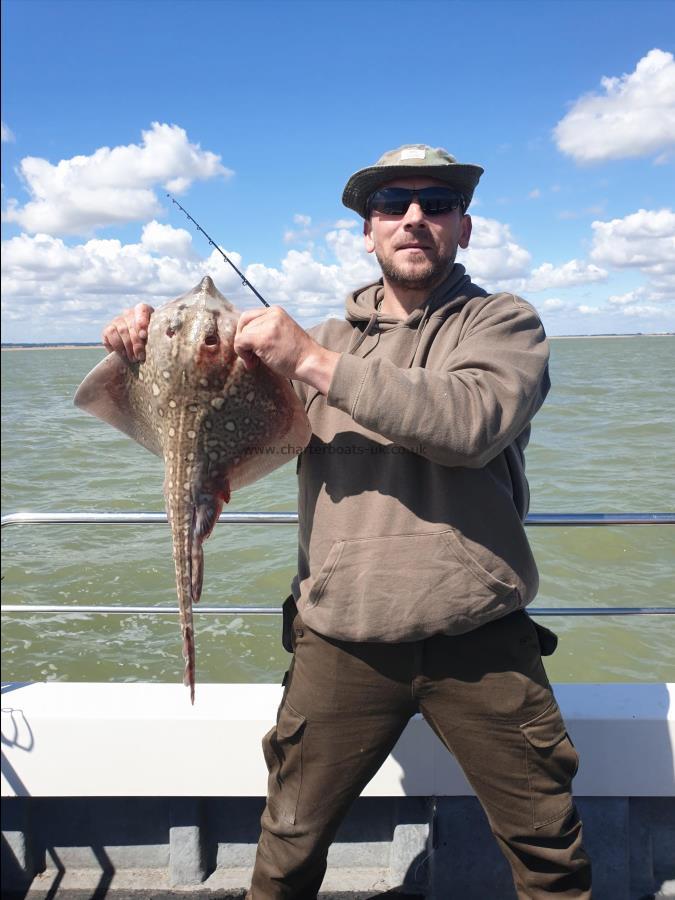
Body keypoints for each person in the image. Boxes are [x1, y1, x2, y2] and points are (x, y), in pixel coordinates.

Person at [102, 144, 592, 899]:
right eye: (392, 204)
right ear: (367, 230)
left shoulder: (502, 325)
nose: (413, 219)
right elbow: (200, 387)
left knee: (546, 850)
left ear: (464, 226)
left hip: (480, 640)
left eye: (436, 204)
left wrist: (313, 363)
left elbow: (469, 422)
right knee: (288, 846)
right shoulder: (321, 340)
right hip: (339, 641)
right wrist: (143, 339)